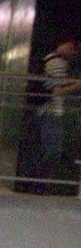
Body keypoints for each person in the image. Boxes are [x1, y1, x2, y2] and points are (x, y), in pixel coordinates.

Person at [26, 37, 81, 191]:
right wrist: (77, 85)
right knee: (51, 151)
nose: (73, 51)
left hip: (47, 111)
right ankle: (41, 185)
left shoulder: (50, 60)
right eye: (71, 46)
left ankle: (38, 184)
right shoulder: (56, 62)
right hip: (52, 112)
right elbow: (58, 91)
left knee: (47, 150)